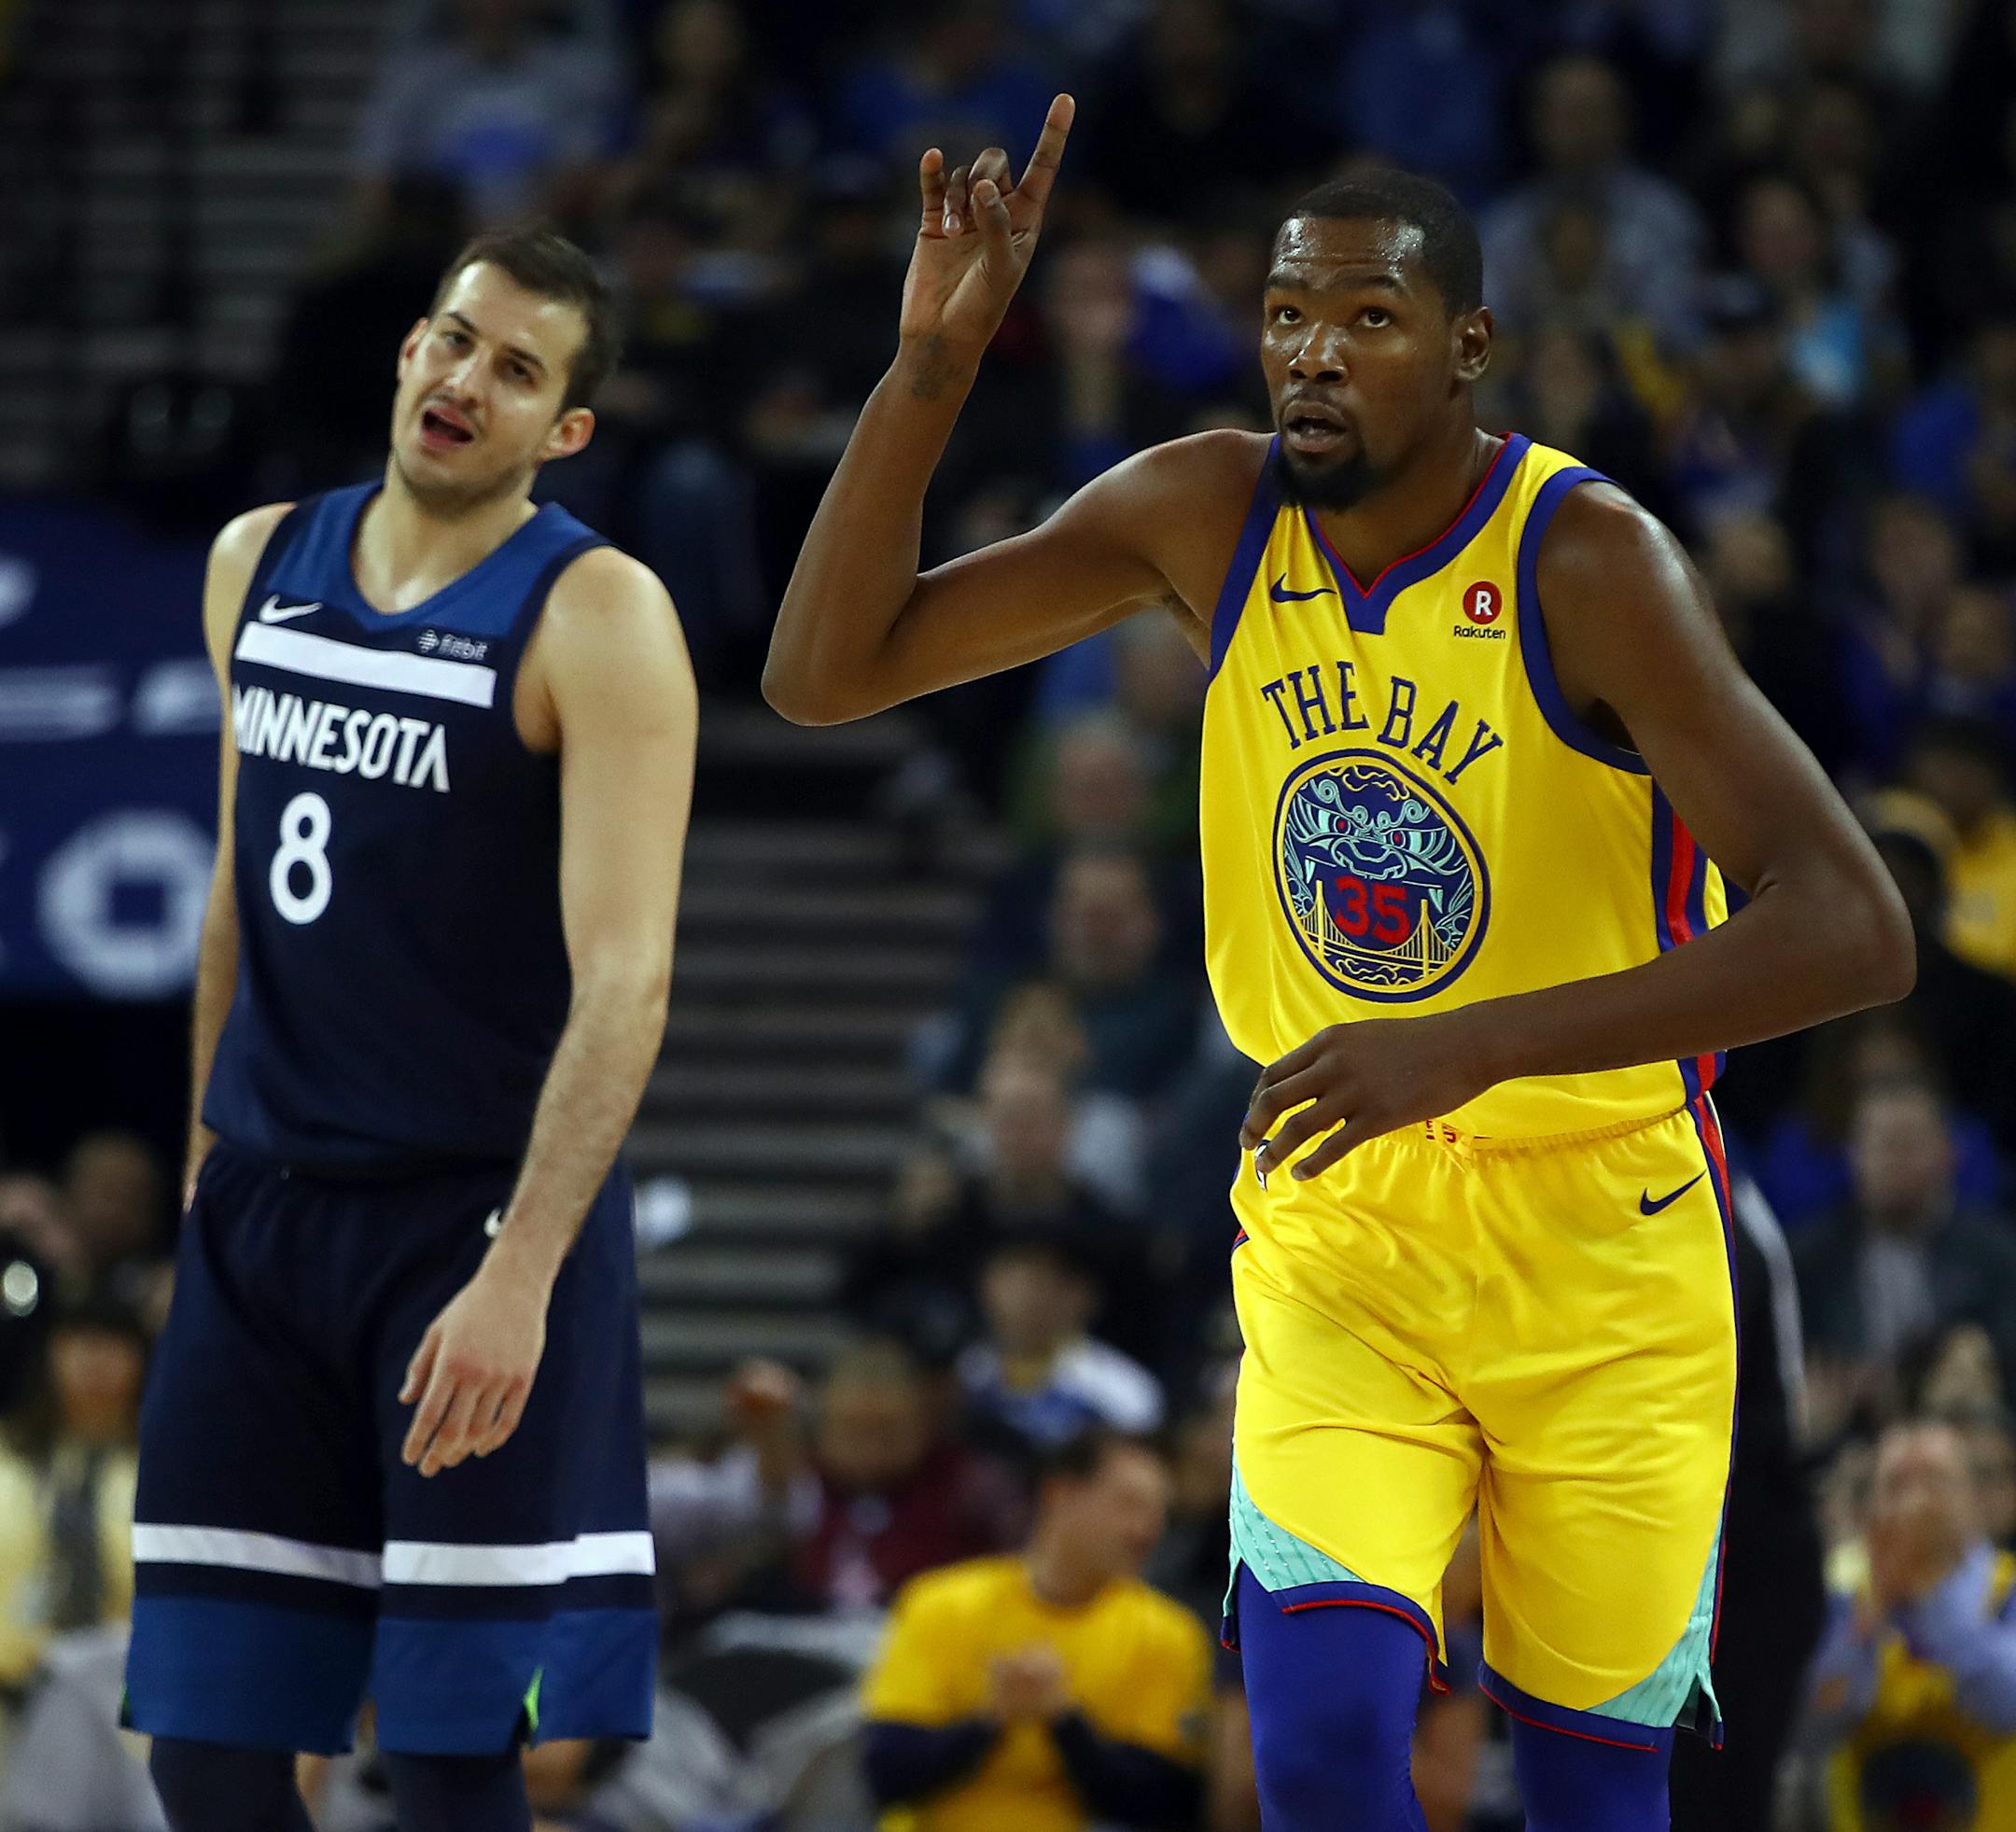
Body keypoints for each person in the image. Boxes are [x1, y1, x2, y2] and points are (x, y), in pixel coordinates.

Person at [763, 101, 1914, 1829]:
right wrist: (931, 368)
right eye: (1291, 315)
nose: (1313, 353)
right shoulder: (1205, 509)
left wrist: (1471, 1044)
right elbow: (824, 673)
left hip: (1605, 1236)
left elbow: (1852, 925)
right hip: (1341, 1209)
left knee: (1600, 1800)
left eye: (1368, 319)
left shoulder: (1586, 561)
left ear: (1468, 350)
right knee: (1313, 1746)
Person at [121, 224, 698, 1832]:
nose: (465, 381)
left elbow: (627, 980)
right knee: (211, 1747)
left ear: (564, 430)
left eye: (518, 370)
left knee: (451, 1753)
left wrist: (522, 1272)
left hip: (472, 1229)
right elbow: (237, 900)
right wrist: (199, 1174)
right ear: (406, 350)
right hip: (264, 1217)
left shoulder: (598, 614)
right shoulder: (257, 557)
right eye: (455, 339)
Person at [860, 1429, 1211, 1832]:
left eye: (1159, 1512)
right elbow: (885, 1774)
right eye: (1127, 1505)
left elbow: (1161, 1802)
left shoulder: (1167, 1633)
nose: (1146, 1530)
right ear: (1061, 1495)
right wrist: (991, 1719)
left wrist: (1064, 1720)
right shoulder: (942, 1603)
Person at [1798, 1419, 2016, 1828]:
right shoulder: (1840, 1592)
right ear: (1871, 1507)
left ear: (1974, 1498)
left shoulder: (2007, 1588)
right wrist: (1867, 1621)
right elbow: (1806, 1734)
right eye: (1897, 1485)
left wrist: (1933, 1600)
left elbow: (2009, 1703)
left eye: (1935, 1482)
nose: (1916, 1503)